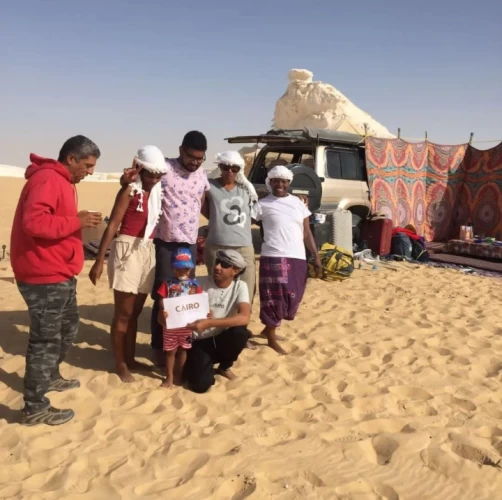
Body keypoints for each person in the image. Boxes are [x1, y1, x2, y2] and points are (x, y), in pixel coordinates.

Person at [10, 135, 102, 426]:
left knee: (67, 327)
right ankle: (34, 407)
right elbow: (34, 223)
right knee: (45, 340)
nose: (90, 172)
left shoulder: (62, 181)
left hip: (59, 271)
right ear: (71, 158)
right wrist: (77, 222)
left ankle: (48, 376)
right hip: (43, 275)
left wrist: (76, 219)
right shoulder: (48, 179)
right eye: (87, 165)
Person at [121, 131, 210, 365]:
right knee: (163, 294)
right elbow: (141, 181)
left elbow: (200, 201)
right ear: (181, 150)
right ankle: (159, 346)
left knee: (184, 293)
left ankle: (180, 346)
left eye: (200, 158)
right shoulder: (165, 168)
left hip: (188, 244)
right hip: (164, 243)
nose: (195, 162)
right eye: (191, 157)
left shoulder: (201, 175)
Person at [89, 145, 166, 383]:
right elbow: (112, 225)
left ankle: (130, 359)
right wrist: (99, 260)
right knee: (123, 313)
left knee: (134, 313)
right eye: (149, 173)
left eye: (157, 174)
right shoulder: (129, 191)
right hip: (126, 250)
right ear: (139, 169)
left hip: (147, 250)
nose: (154, 178)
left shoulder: (157, 193)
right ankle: (121, 363)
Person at [255, 165, 322, 355]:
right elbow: (245, 220)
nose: (280, 184)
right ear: (270, 182)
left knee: (294, 295)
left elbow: (307, 232)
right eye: (276, 181)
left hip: (298, 256)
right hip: (273, 255)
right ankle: (270, 336)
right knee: (274, 297)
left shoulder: (299, 203)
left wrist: (315, 256)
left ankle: (268, 329)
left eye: (284, 181)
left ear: (289, 183)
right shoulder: (263, 204)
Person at [183, 249, 251, 393]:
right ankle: (203, 366)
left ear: (235, 271)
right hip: (198, 341)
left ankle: (224, 366)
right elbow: (178, 306)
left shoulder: (240, 286)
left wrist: (209, 323)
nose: (217, 267)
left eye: (224, 264)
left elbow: (245, 316)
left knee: (241, 332)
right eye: (217, 262)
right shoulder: (198, 282)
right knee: (200, 386)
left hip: (219, 338)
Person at [202, 151, 258, 304]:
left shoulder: (246, 189)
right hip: (216, 247)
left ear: (239, 170)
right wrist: (217, 220)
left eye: (234, 168)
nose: (230, 171)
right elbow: (202, 208)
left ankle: (239, 326)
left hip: (244, 247)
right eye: (226, 167)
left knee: (246, 291)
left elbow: (256, 210)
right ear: (220, 166)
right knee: (217, 291)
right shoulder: (209, 186)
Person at [156, 248, 204, 388]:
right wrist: (163, 309)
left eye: (185, 269)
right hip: (170, 325)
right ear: (173, 268)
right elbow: (161, 299)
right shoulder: (167, 283)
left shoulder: (194, 285)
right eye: (179, 269)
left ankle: (179, 374)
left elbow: (199, 303)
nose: (182, 272)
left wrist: (204, 313)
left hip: (186, 326)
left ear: (190, 269)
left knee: (183, 350)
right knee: (170, 351)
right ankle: (169, 376)